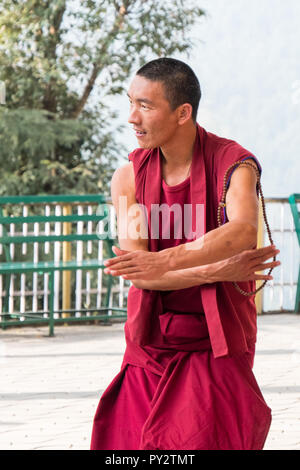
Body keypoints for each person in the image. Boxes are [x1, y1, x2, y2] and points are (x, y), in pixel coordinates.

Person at [90, 58, 280, 450]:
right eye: (130, 103)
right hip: (150, 340)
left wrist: (164, 260)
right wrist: (215, 271)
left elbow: (242, 231)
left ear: (183, 113)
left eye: (145, 106)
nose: (132, 118)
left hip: (215, 340)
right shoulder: (128, 177)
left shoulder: (234, 163)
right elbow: (140, 274)